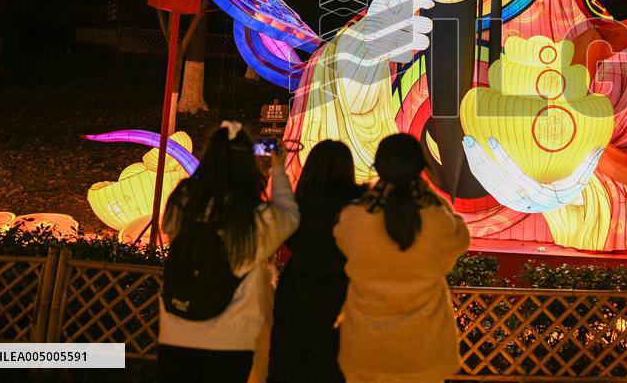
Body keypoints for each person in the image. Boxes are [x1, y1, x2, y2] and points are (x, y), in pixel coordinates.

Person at [158, 122, 300, 383]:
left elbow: (169, 229)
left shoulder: (183, 200)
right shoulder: (253, 217)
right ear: (248, 162)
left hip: (175, 332)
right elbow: (290, 217)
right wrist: (278, 168)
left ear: (210, 156)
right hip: (230, 340)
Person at [334, 133, 470, 383]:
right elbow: (460, 238)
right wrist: (431, 198)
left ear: (378, 167)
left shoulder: (354, 218)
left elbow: (342, 241)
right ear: (421, 168)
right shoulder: (437, 219)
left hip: (366, 350)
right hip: (424, 352)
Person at [268, 140, 364, 383]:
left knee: (294, 358)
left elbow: (281, 210)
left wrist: (278, 168)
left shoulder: (300, 209)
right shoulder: (358, 207)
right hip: (343, 289)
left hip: (298, 288)